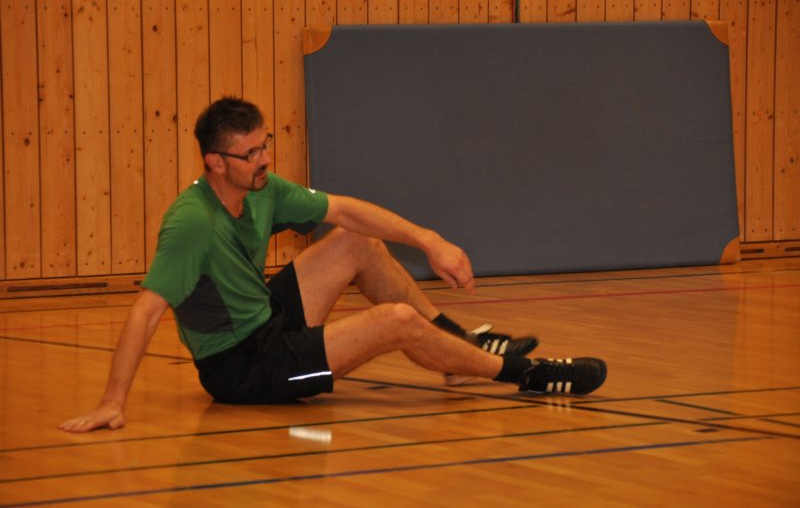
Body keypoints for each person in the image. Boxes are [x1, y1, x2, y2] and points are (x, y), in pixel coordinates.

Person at [60, 97, 606, 433]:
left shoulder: (261, 190)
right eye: (251, 154)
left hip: (269, 320)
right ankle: (528, 374)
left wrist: (429, 239)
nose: (265, 159)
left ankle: (456, 347)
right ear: (215, 163)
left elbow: (344, 210)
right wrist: (112, 401)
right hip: (244, 368)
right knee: (395, 322)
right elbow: (145, 312)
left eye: (264, 145)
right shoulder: (192, 224)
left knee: (354, 241)